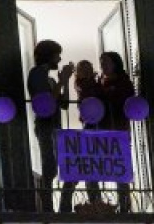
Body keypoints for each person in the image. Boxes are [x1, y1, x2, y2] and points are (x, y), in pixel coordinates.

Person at [27, 39, 74, 213]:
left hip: (55, 127)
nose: (59, 59)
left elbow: (64, 104)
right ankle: (47, 208)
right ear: (49, 55)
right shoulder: (37, 73)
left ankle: (61, 206)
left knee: (63, 166)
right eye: (57, 55)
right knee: (50, 167)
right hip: (45, 126)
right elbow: (47, 103)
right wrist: (61, 81)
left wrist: (65, 81)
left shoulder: (51, 80)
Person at [59, 60, 101, 213]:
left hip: (93, 128)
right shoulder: (84, 85)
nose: (87, 71)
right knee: (85, 166)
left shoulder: (89, 83)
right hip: (90, 127)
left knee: (89, 168)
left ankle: (93, 202)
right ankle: (93, 202)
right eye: (82, 69)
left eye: (88, 68)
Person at [97, 51, 135, 213]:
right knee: (96, 165)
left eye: (106, 62)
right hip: (101, 130)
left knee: (119, 167)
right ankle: (96, 202)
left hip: (118, 129)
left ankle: (125, 204)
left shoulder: (124, 82)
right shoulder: (100, 82)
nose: (103, 65)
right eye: (101, 62)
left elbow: (124, 101)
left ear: (115, 63)